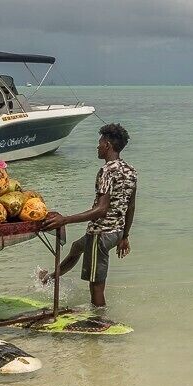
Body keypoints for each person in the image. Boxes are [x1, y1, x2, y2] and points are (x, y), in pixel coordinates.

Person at [38, 123, 136, 309]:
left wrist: (64, 219)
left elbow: (101, 210)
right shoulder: (130, 170)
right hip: (115, 232)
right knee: (76, 247)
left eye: (99, 143)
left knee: (96, 285)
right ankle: (50, 279)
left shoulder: (106, 171)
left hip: (100, 235)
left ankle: (99, 322)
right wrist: (125, 236)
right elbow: (131, 206)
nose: (97, 147)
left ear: (107, 145)